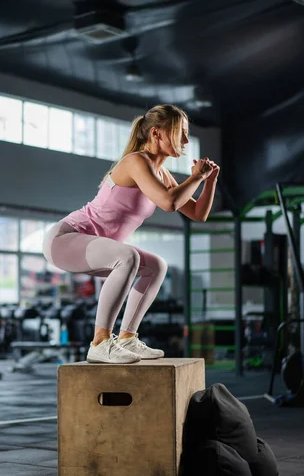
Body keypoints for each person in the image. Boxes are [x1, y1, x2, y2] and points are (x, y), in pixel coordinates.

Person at [42, 104, 219, 364]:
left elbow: (198, 214)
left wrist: (209, 180)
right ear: (156, 133)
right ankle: (100, 342)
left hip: (93, 245)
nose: (185, 140)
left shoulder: (163, 174)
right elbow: (169, 203)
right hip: (66, 239)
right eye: (179, 131)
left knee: (157, 266)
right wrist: (195, 178)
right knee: (128, 257)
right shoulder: (136, 161)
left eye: (186, 133)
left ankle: (127, 337)